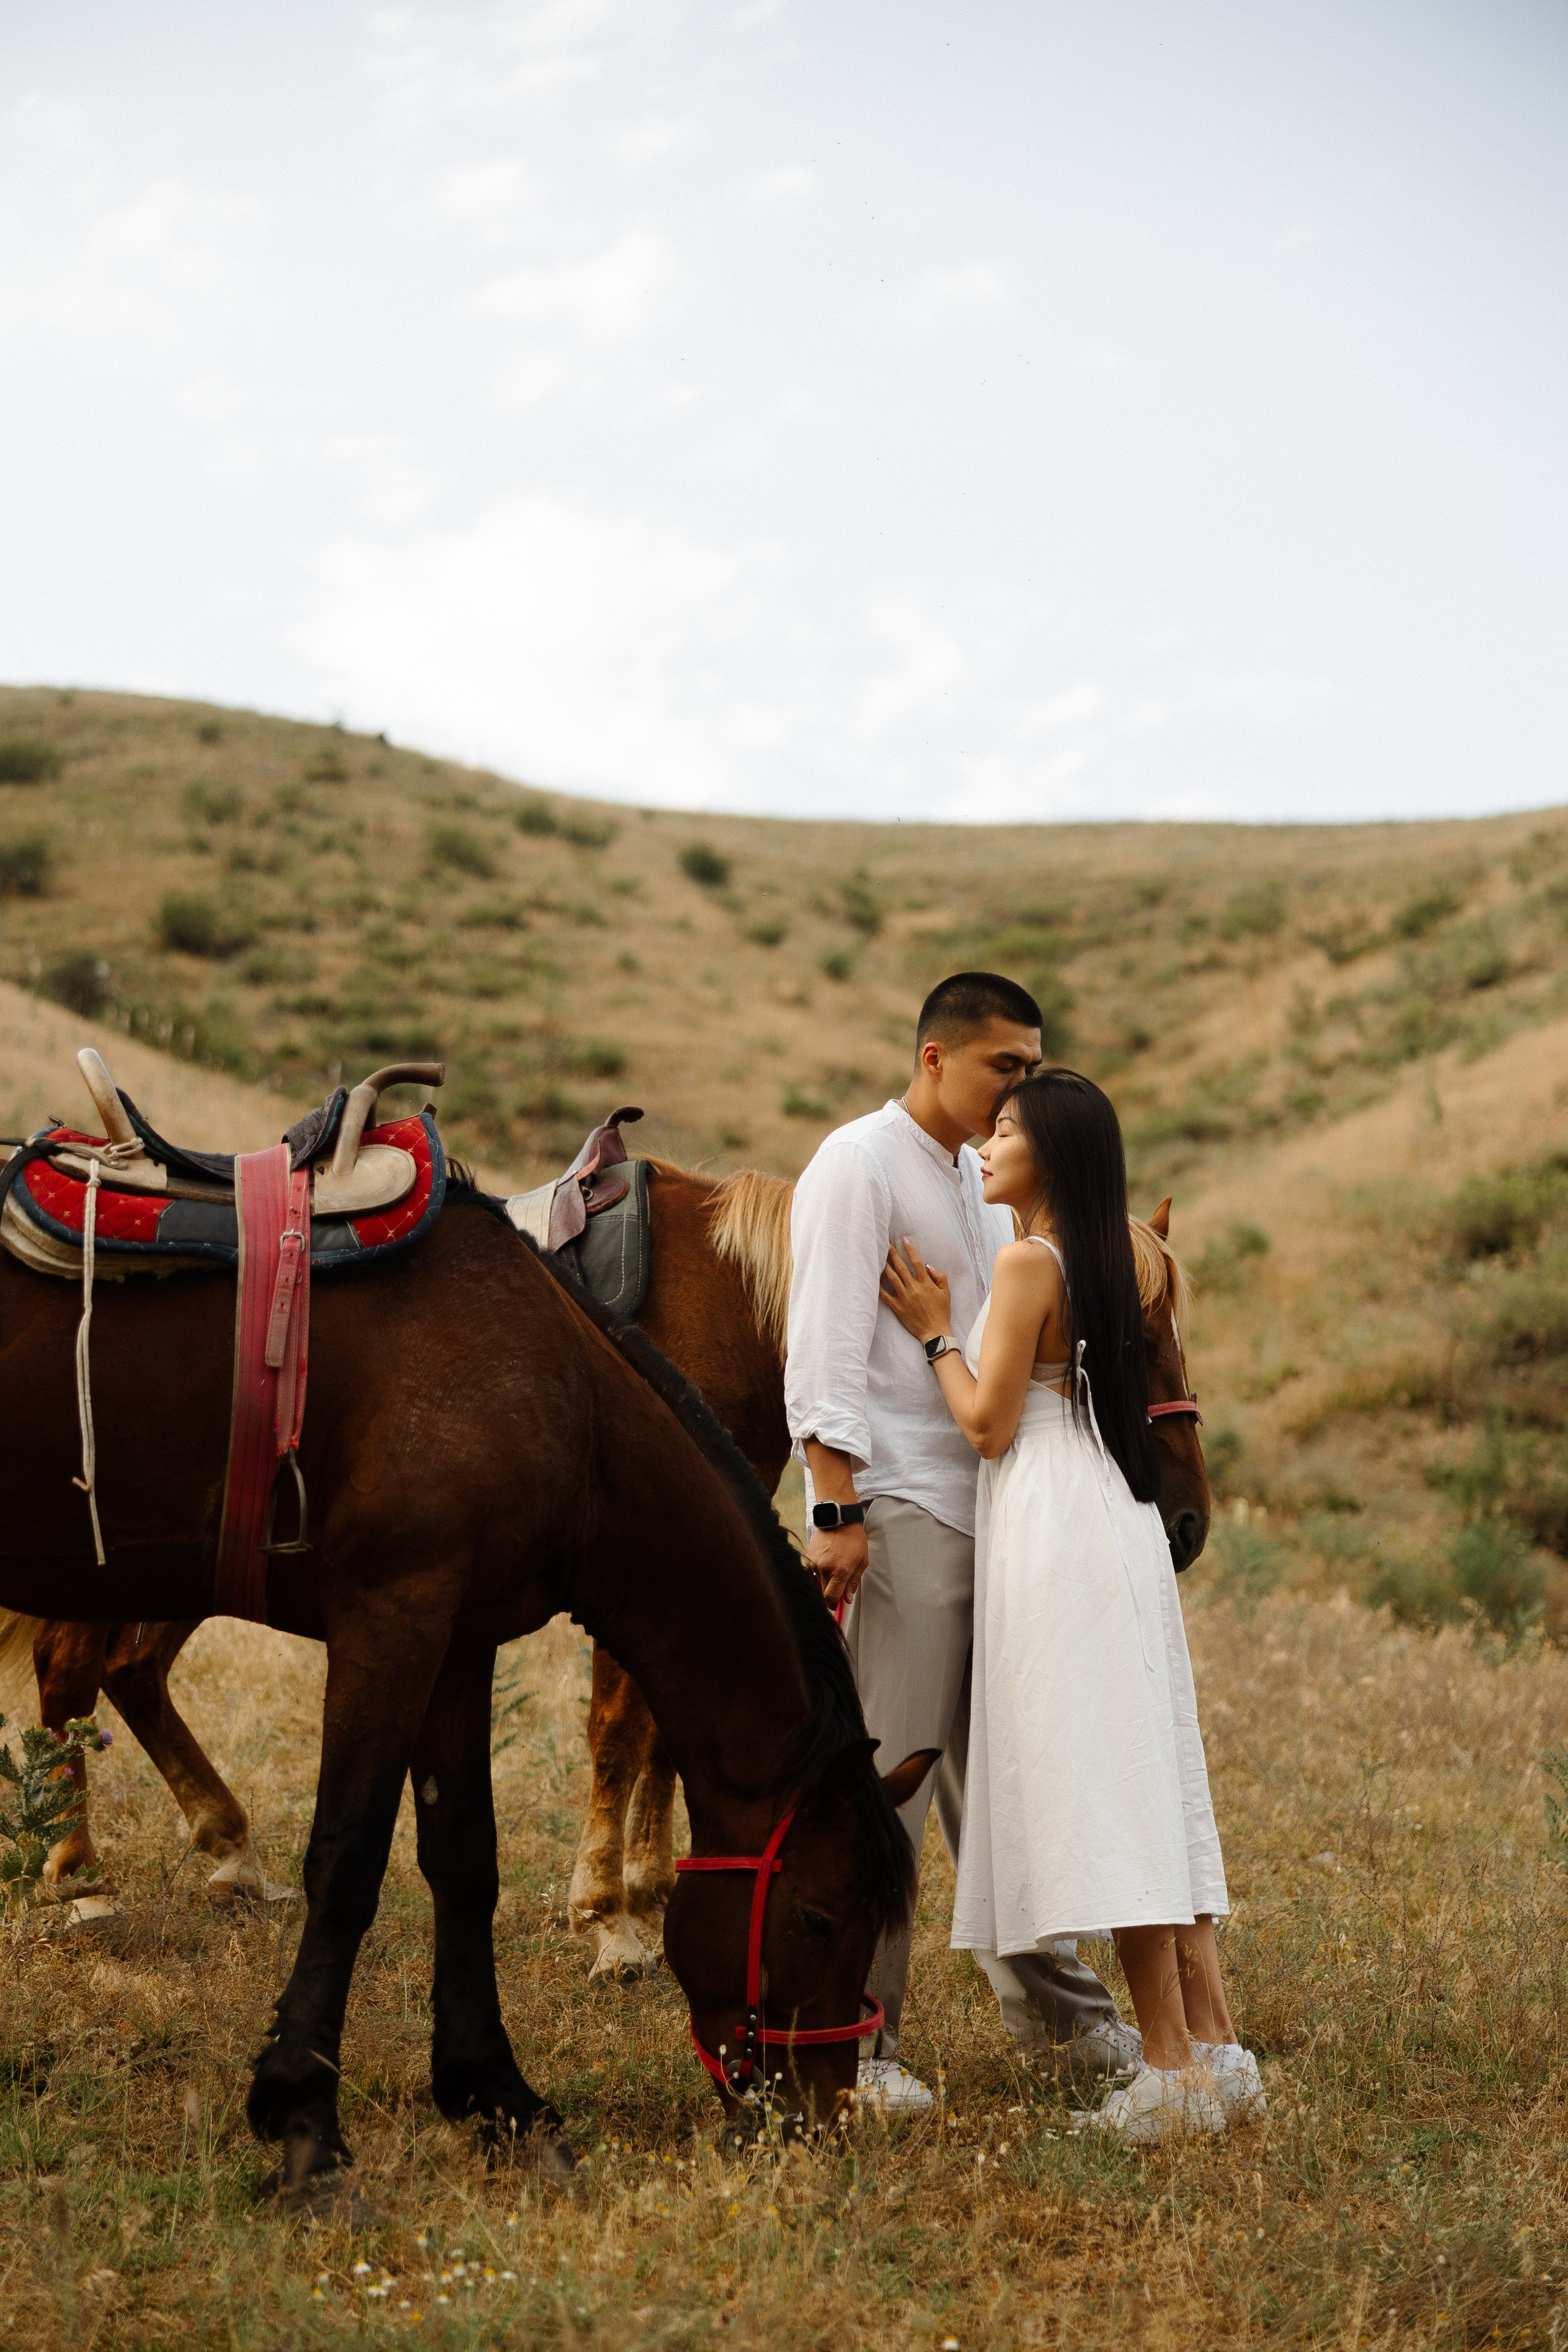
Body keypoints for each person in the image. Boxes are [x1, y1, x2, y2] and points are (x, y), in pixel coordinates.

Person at [879, 1068, 1265, 2141]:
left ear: (1048, 1153)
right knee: (1150, 1759)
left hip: (1051, 1511)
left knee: (1107, 1776)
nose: (987, 1144)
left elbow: (988, 1424)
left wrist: (931, 1331)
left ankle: (1172, 2069)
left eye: (1005, 1130)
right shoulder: (1122, 1259)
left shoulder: (1029, 1261)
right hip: (1119, 1511)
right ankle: (1216, 2047)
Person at [785, 973, 1140, 2113]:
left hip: (1000, 1510)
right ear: (936, 1056)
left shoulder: (988, 1185)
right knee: (891, 1781)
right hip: (902, 1507)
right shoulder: (859, 1161)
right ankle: (857, 2041)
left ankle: (1060, 2013)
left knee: (1009, 1773)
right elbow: (825, 1337)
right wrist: (835, 1509)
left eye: (1032, 1070)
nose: (1018, 1092)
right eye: (1007, 1067)